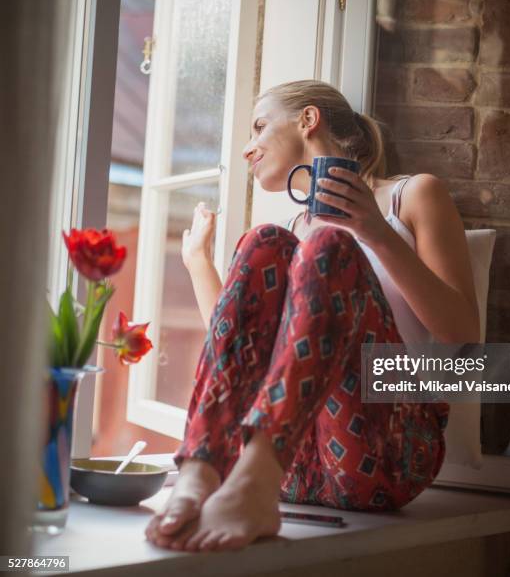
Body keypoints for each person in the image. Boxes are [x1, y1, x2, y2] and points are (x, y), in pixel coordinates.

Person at [145, 80, 480, 552]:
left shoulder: (413, 196)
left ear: (308, 120)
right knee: (263, 242)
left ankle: (252, 480)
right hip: (298, 466)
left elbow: (465, 342)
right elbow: (246, 354)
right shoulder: (291, 232)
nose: (247, 149)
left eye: (260, 127)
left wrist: (375, 232)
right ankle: (203, 468)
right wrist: (198, 262)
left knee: (326, 246)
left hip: (388, 456)